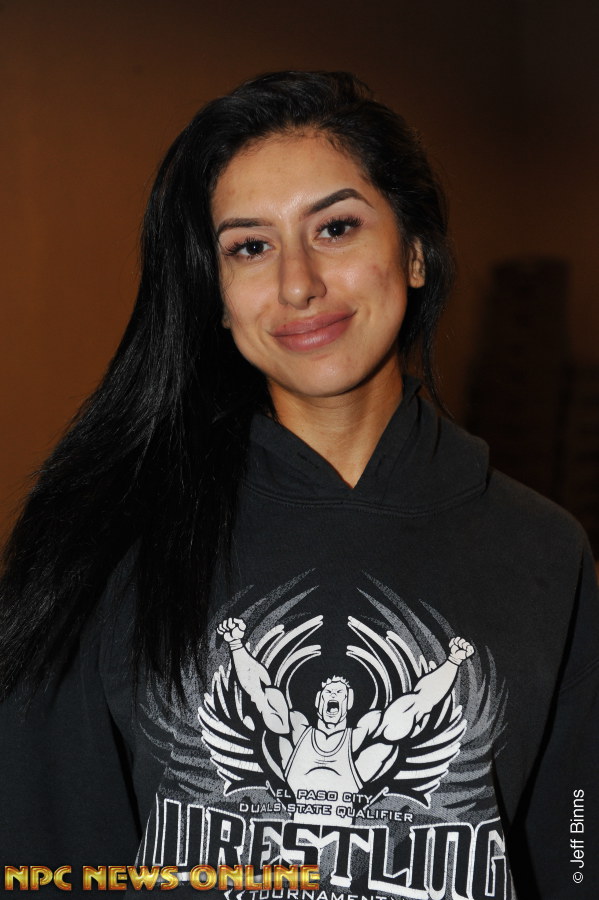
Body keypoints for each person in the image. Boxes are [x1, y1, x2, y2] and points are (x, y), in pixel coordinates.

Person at [0, 71, 596, 899]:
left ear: (414, 252)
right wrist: (244, 654)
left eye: (336, 228)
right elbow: (47, 860)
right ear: (216, 297)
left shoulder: (543, 551)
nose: (296, 283)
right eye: (250, 246)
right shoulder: (104, 537)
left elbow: (572, 853)